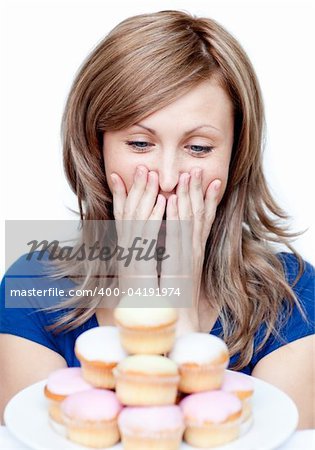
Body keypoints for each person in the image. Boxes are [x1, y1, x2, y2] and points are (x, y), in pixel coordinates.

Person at [0, 10, 314, 428]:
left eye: (199, 148)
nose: (167, 179)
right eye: (139, 142)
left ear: (236, 156)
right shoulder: (32, 284)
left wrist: (179, 316)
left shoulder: (294, 293)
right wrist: (142, 295)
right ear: (97, 149)